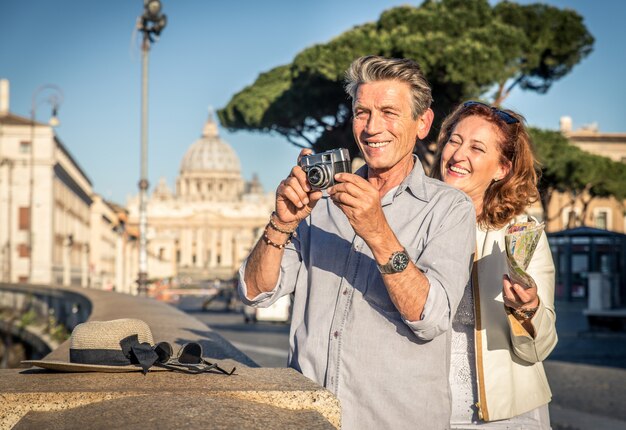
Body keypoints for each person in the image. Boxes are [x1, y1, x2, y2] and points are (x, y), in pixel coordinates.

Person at [238, 55, 476, 429]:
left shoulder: (450, 209)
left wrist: (377, 231)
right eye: (362, 112)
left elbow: (430, 318)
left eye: (389, 112)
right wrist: (281, 222)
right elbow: (256, 291)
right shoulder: (319, 203)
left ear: (423, 123)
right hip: (308, 418)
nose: (372, 127)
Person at [431, 101, 558, 428]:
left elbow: (538, 349)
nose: (458, 155)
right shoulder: (414, 223)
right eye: (454, 141)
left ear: (501, 169)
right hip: (424, 410)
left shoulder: (520, 233)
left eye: (476, 148)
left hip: (506, 416)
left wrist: (527, 310)